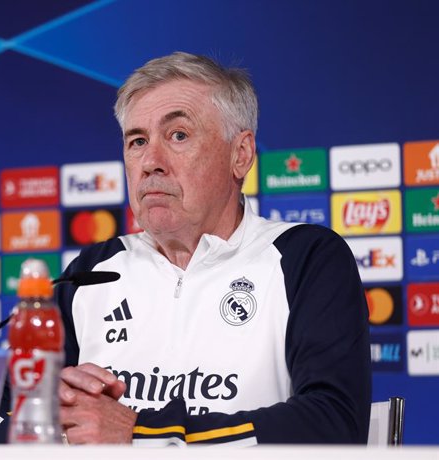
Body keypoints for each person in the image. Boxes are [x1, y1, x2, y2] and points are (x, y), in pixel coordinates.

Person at [55, 51, 371, 445]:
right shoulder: (89, 272)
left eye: (179, 135)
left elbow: (334, 422)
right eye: (137, 141)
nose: (151, 161)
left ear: (241, 155)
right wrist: (54, 408)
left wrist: (139, 435)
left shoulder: (305, 258)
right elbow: (6, 420)